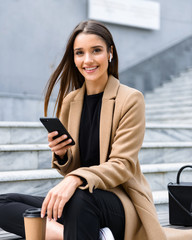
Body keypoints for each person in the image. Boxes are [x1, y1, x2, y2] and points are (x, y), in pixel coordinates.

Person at [0, 20, 192, 240]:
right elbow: (71, 167)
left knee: (79, 198)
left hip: (118, 201)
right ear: (74, 58)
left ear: (110, 53)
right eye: (79, 53)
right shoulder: (70, 102)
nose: (87, 60)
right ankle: (74, 235)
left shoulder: (130, 99)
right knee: (4, 202)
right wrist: (62, 155)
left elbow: (122, 166)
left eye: (96, 51)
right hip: (81, 203)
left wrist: (74, 179)